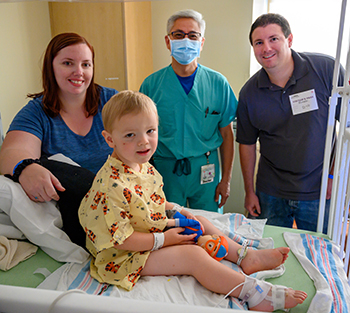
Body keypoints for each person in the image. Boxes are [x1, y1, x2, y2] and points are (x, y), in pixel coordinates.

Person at [79, 90, 307, 312]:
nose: (144, 142)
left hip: (147, 230)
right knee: (193, 255)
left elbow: (148, 202)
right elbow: (122, 240)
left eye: (150, 130)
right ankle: (254, 294)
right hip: (123, 256)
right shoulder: (112, 185)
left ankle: (245, 256)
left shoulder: (139, 164)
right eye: (130, 135)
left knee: (198, 220)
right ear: (110, 139)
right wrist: (162, 239)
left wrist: (176, 210)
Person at [0, 32, 118, 247]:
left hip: (121, 200)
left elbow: (143, 133)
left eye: (86, 64)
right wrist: (26, 167)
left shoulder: (112, 102)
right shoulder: (36, 112)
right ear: (50, 67)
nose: (79, 72)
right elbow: (11, 153)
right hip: (76, 215)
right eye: (68, 63)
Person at [236, 13, 344, 233]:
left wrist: (334, 175)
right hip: (270, 192)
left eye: (273, 39)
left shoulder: (325, 70)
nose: (266, 48)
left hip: (320, 190)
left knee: (317, 254)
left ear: (289, 39)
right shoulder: (249, 92)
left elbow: (347, 131)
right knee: (267, 251)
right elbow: (246, 143)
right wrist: (249, 191)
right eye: (259, 42)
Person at [140, 9, 237, 213]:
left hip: (206, 170)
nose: (186, 40)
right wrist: (144, 180)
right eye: (178, 35)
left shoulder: (218, 83)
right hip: (165, 170)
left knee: (210, 230)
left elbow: (227, 134)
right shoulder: (151, 85)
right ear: (168, 41)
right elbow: (142, 137)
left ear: (201, 43)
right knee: (171, 228)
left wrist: (226, 180)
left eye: (193, 35)